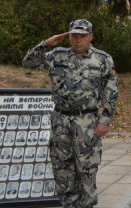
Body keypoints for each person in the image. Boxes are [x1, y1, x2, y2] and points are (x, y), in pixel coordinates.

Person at [22, 19, 118, 208]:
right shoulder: (56, 56)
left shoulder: (102, 59)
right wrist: (45, 44)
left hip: (87, 122)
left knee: (87, 168)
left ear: (91, 36)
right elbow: (28, 63)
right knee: (62, 168)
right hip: (61, 121)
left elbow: (111, 91)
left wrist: (105, 120)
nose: (78, 40)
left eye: (82, 36)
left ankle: (87, 205)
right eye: (74, 35)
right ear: (69, 36)